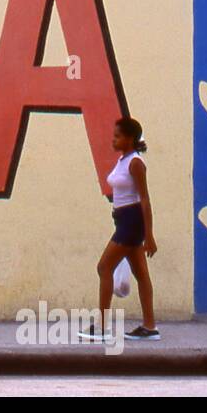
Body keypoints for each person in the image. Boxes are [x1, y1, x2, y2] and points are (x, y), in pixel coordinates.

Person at [79, 117, 160, 342]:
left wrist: (149, 235)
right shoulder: (123, 160)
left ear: (130, 139)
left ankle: (102, 326)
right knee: (141, 275)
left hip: (131, 223)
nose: (113, 140)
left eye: (118, 136)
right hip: (124, 221)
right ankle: (150, 327)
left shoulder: (135, 163)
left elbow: (144, 200)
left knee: (104, 267)